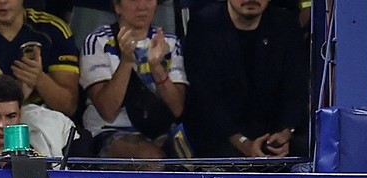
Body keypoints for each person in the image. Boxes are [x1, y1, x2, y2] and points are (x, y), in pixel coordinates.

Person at [182, 0, 307, 157]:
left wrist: (286, 133)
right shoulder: (204, 25)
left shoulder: (285, 24)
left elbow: (295, 87)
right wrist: (242, 142)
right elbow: (205, 97)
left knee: (306, 149)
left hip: (272, 133)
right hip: (222, 134)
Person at [78, 0, 185, 154]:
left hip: (160, 129)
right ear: (117, 6)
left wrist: (156, 67)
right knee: (150, 157)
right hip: (109, 130)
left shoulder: (170, 43)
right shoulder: (98, 41)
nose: (142, 6)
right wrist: (126, 61)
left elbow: (177, 109)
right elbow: (107, 110)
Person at [0, 0, 80, 116]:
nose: (2, 1)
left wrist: (39, 79)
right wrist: (15, 96)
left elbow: (69, 107)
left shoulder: (54, 30)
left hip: (45, 118)